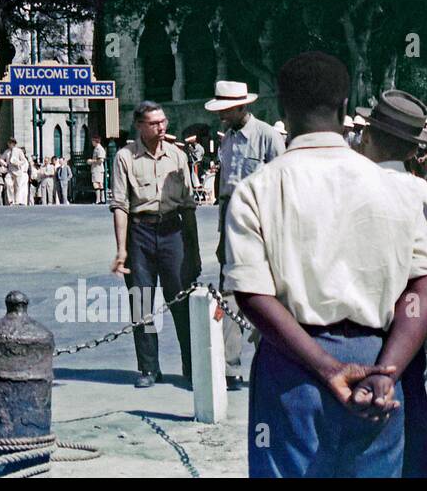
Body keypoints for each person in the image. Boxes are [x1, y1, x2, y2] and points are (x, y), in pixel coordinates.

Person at [225, 53, 427, 478]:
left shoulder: (258, 190)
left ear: (282, 108)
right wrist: (389, 370)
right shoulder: (397, 189)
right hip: (377, 366)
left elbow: (252, 295)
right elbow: (424, 284)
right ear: (345, 106)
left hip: (293, 366)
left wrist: (328, 368)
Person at [356, 90, 427, 477]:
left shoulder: (358, 182)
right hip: (408, 309)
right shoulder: (418, 188)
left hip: (368, 310)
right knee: (410, 390)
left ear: (369, 135)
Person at [110, 101, 198, 387]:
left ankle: (192, 366)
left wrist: (193, 249)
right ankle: (149, 368)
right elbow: (121, 205)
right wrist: (122, 249)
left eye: (163, 122)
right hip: (140, 234)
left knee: (181, 301)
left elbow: (188, 205)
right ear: (139, 125)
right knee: (142, 302)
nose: (161, 128)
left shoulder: (177, 156)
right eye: (154, 123)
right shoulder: (125, 157)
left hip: (174, 231)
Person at [204, 80, 285, 390]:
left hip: (259, 218)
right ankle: (231, 365)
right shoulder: (227, 140)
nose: (221, 116)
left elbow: (281, 182)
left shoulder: (267, 136)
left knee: (266, 289)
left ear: (242, 107)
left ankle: (273, 361)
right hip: (228, 215)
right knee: (229, 290)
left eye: (226, 110)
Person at [5, 140, 29, 205]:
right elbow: (2, 159)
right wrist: (5, 164)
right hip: (10, 171)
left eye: (10, 143)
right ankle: (11, 200)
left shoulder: (18, 151)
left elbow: (23, 161)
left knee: (18, 187)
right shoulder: (7, 152)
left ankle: (18, 201)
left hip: (18, 171)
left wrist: (18, 163)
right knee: (9, 183)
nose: (9, 145)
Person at [89, 135, 107, 204]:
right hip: (96, 169)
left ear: (95, 141)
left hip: (98, 169)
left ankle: (99, 200)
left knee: (97, 184)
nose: (92, 143)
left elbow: (101, 160)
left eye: (93, 141)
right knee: (98, 184)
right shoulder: (96, 148)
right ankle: (100, 199)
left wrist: (91, 161)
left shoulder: (99, 149)